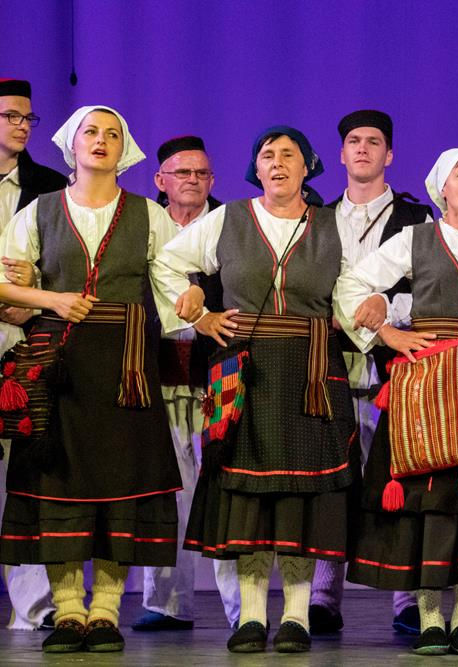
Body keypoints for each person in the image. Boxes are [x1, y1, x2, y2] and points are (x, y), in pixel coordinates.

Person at [151, 126, 359, 654]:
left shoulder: (334, 225)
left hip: (311, 375)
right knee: (247, 497)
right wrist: (200, 312)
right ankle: (249, 617)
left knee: (300, 497)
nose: (278, 162)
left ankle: (296, 616)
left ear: (308, 167)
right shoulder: (229, 219)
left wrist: (375, 315)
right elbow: (167, 262)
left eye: (289, 154)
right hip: (244, 371)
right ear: (256, 169)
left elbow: (356, 291)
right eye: (268, 155)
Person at [0, 105, 185, 653]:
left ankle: (105, 611)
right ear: (72, 143)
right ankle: (68, 611)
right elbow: (3, 282)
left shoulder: (149, 216)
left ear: (123, 149)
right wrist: (50, 298)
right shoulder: (40, 211)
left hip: (127, 369)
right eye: (91, 132)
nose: (101, 141)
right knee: (59, 486)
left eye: (112, 134)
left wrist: (195, 300)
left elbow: (175, 283)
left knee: (121, 487)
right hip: (59, 368)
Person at [336, 148, 458, 656]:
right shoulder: (416, 238)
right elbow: (351, 284)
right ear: (442, 188)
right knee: (432, 498)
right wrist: (386, 332)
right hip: (428, 383)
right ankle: (429, 618)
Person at [310, 109, 432, 636]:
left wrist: (387, 307)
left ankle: (407, 598)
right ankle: (322, 595)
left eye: (374, 141)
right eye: (354, 141)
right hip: (328, 363)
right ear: (341, 154)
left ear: (390, 154)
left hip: (394, 364)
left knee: (401, 479)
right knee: (329, 480)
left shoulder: (416, 217)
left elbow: (432, 285)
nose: (363, 148)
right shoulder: (315, 217)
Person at [132, 136, 240, 633]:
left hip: (219, 373)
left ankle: (243, 610)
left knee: (226, 486)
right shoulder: (143, 226)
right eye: (182, 172)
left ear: (213, 180)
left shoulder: (233, 224)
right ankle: (167, 602)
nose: (193, 180)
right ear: (160, 180)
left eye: (201, 173)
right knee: (167, 489)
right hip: (159, 372)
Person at [0, 77, 63, 632]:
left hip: (22, 342)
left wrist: (33, 296)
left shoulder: (49, 187)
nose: (23, 126)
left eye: (28, 118)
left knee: (25, 471)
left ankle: (34, 606)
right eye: (11, 116)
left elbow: (64, 268)